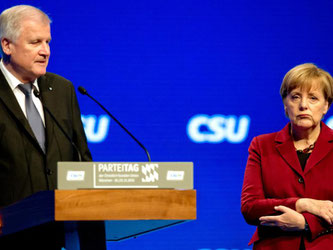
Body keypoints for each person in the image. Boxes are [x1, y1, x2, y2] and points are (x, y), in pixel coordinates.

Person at [0, 5, 92, 249]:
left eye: (48, 42)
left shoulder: (62, 90)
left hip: (61, 236)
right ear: (6, 45)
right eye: (35, 42)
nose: (45, 51)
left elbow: (82, 161)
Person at [241, 63, 333, 249]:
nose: (303, 105)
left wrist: (305, 223)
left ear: (326, 106)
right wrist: (302, 204)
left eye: (313, 98)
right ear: (285, 104)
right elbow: (250, 208)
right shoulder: (262, 145)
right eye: (295, 97)